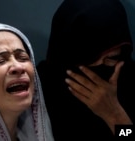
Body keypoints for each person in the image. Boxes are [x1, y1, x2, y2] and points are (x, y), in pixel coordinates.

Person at [37, 0, 135, 140]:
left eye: (111, 58)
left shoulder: (129, 79)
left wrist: (115, 116)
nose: (99, 67)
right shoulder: (39, 87)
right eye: (88, 58)